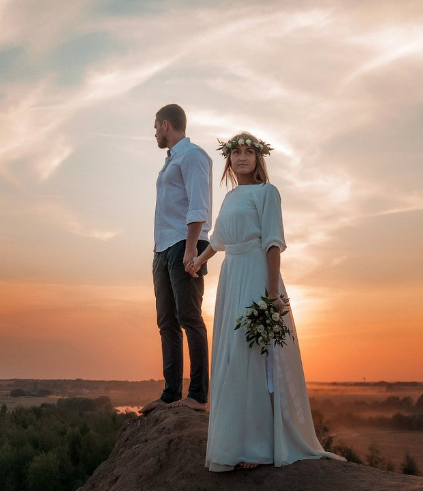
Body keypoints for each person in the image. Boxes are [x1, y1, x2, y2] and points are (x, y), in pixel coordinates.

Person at [186, 131, 343, 471]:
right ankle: (236, 443)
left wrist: (272, 294)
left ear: (259, 159)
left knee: (252, 356)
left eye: (248, 152)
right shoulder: (230, 198)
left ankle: (258, 448)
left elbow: (272, 243)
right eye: (236, 153)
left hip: (257, 274)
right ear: (229, 160)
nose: (242, 157)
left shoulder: (267, 192)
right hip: (231, 278)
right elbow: (219, 240)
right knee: (230, 355)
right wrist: (198, 261)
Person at [139, 104, 212, 415]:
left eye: (156, 126)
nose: (155, 132)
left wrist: (191, 247)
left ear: (166, 124)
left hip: (185, 244)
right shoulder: (171, 160)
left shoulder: (192, 155)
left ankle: (198, 395)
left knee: (189, 318)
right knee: (166, 322)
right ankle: (170, 394)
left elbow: (199, 204)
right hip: (163, 248)